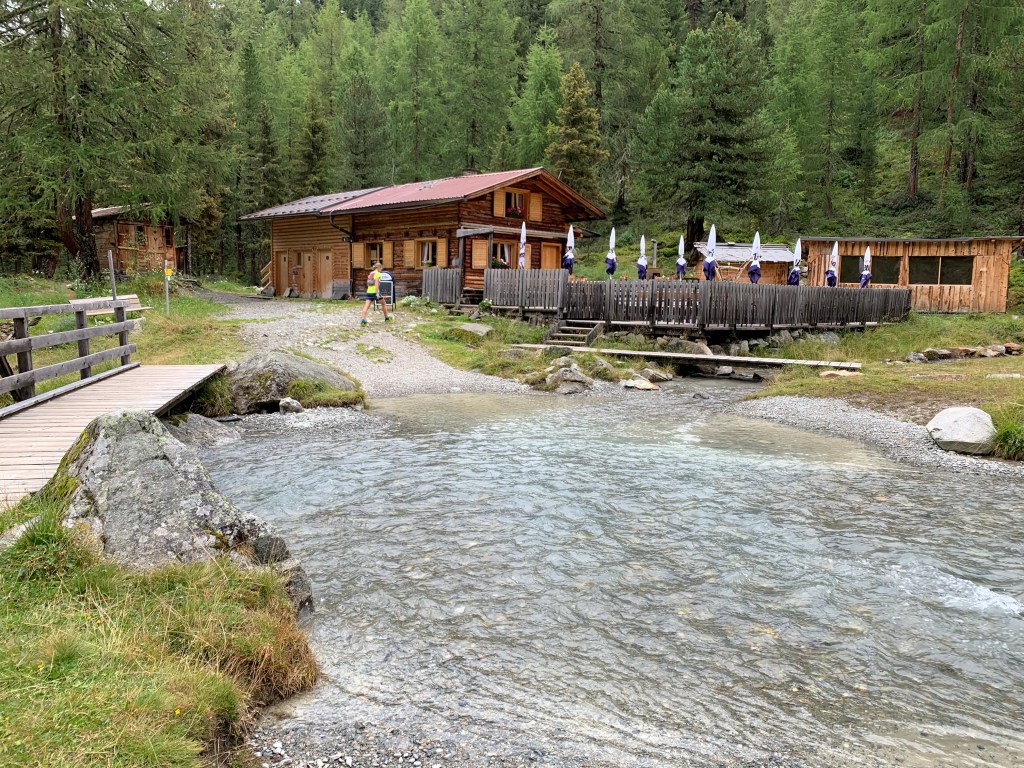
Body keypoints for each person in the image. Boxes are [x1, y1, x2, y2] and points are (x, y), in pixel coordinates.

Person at [360, 261, 392, 326]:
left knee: (366, 306)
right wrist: (377, 293)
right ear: (379, 267)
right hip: (375, 292)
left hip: (369, 292)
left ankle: (363, 321)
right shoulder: (378, 274)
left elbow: (368, 283)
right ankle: (386, 318)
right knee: (383, 303)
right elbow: (376, 283)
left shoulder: (371, 273)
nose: (381, 270)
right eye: (381, 268)